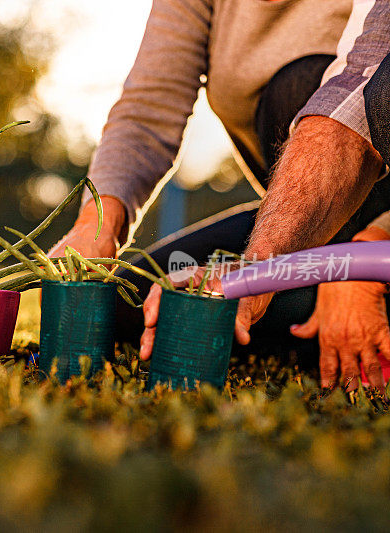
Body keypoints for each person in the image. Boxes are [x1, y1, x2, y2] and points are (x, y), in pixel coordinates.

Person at [52, 0, 390, 388]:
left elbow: (361, 94)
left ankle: (350, 311)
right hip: (293, 227)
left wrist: (356, 262)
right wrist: (96, 228)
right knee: (131, 305)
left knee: (294, 87)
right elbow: (148, 109)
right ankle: (312, 316)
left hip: (376, 220)